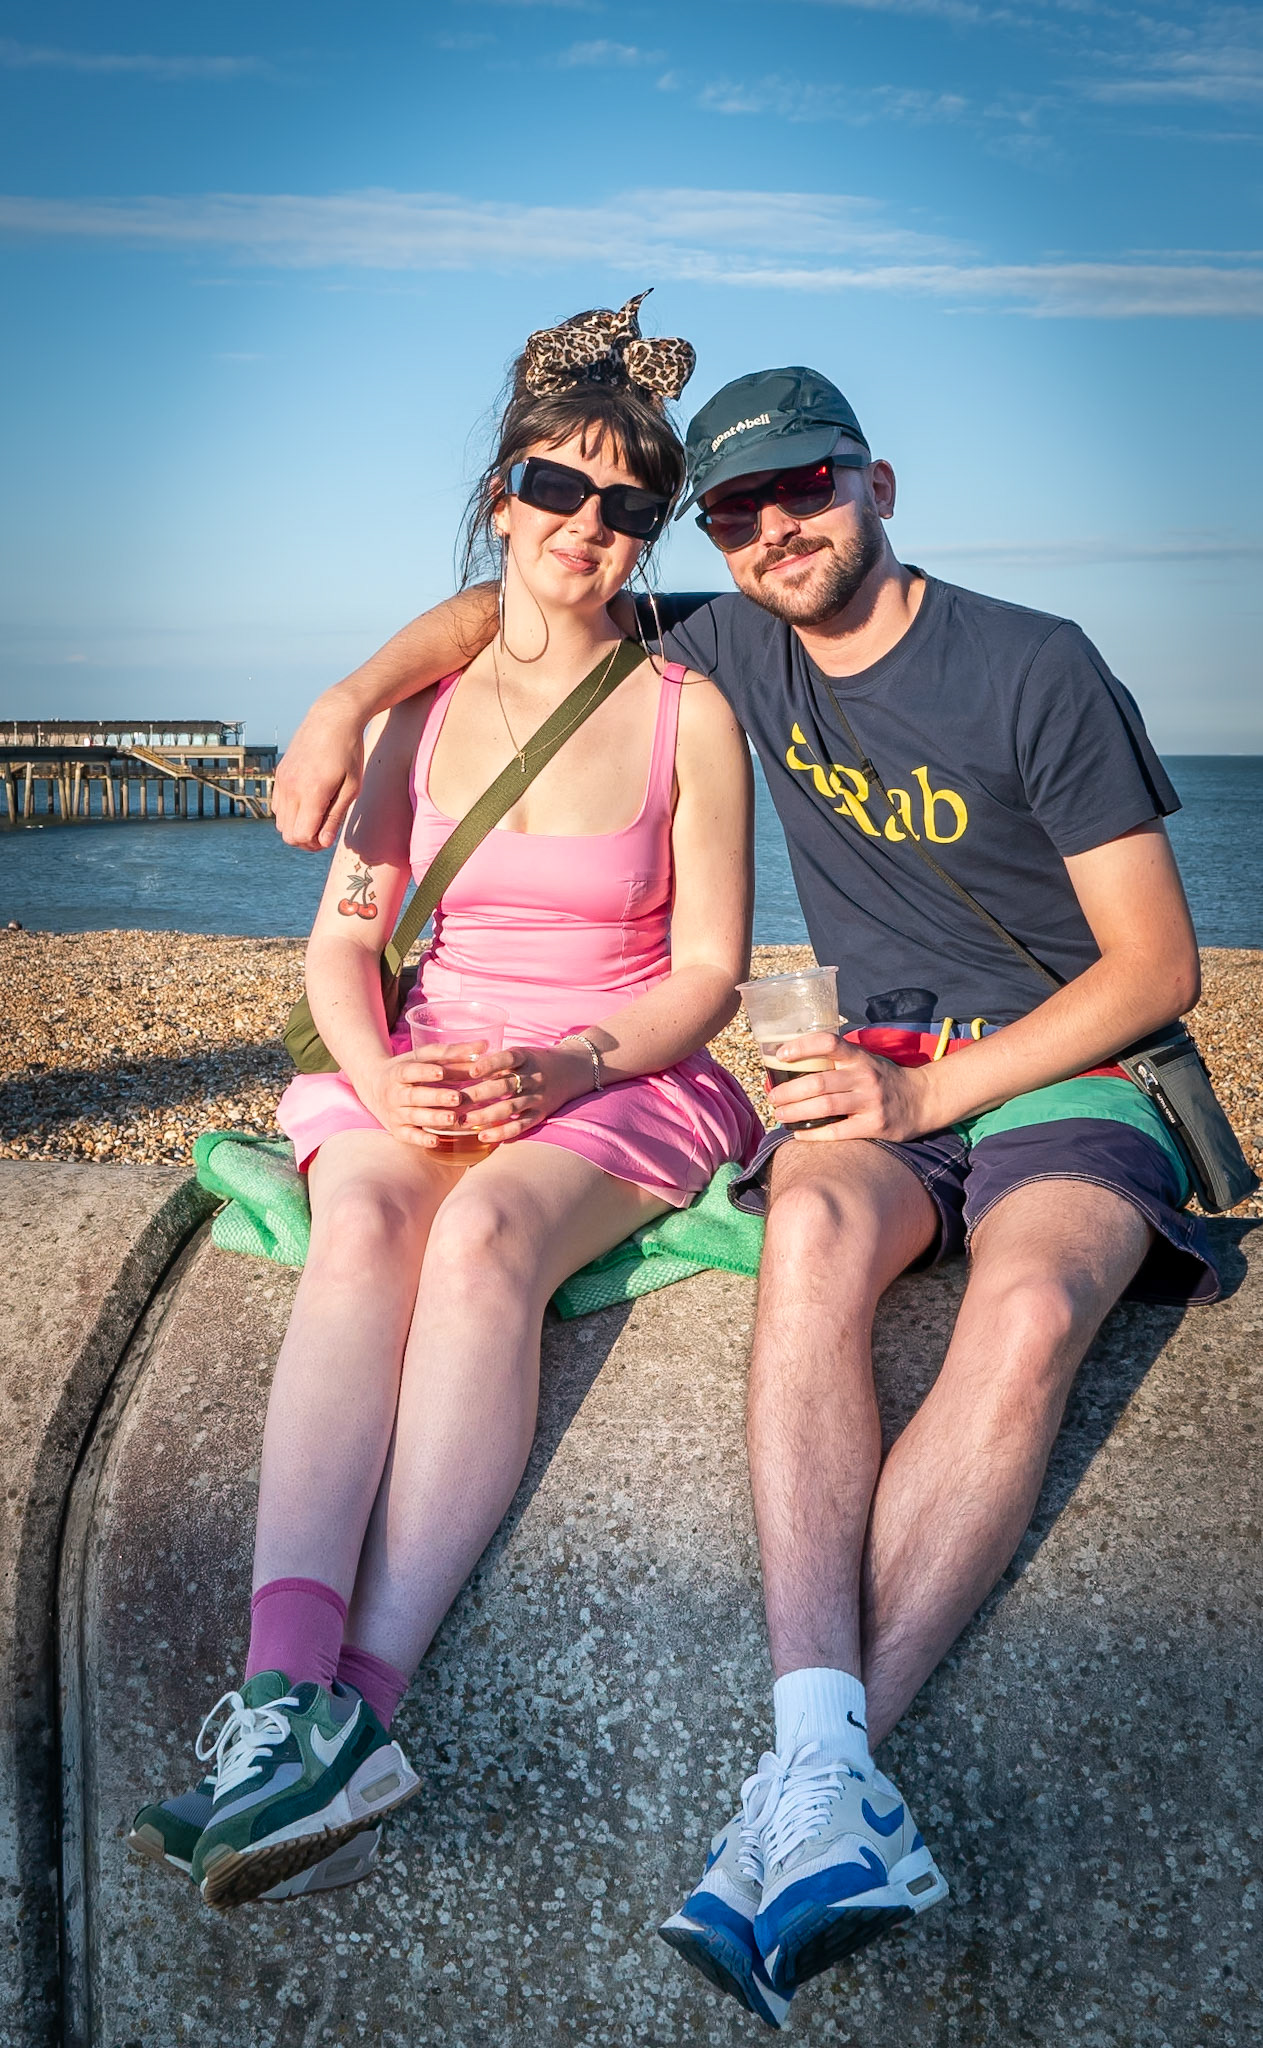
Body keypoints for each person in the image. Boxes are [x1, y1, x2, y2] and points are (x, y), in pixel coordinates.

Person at [270, 354, 1217, 2022]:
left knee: (1030, 1300)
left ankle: (825, 1785)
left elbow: (1157, 965)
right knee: (810, 1238)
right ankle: (816, 1764)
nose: (774, 527)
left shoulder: (1035, 666)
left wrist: (932, 1084)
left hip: (1067, 1066)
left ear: (879, 485)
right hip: (872, 1074)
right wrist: (347, 705)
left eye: (808, 488)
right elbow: (507, 610)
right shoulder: (726, 644)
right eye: (734, 507)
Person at [125, 296, 762, 1912]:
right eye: (558, 490)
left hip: (616, 1072)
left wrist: (574, 1065)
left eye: (627, 509)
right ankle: (281, 1694)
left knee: (483, 1247)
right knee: (361, 1229)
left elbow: (707, 978)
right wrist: (372, 1064)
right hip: (430, 1051)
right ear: (505, 498)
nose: (587, 531)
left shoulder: (694, 714)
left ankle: (368, 1705)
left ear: (650, 532)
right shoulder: (418, 711)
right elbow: (347, 936)